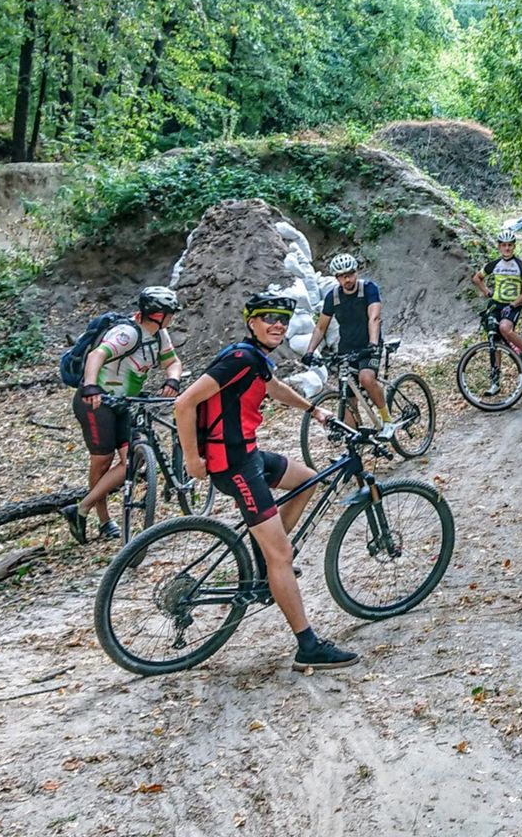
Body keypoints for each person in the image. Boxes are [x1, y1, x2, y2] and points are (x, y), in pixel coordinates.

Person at [175, 292, 359, 671]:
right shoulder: (240, 359)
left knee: (308, 480)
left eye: (283, 319)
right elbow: (184, 403)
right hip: (233, 465)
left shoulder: (254, 358)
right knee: (282, 556)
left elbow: (273, 387)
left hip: (248, 455)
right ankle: (307, 645)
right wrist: (192, 459)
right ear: (252, 323)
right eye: (269, 318)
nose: (278, 324)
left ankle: (269, 556)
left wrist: (315, 411)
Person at [63, 286, 185, 543]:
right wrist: (91, 385)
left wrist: (172, 380)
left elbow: (172, 362)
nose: (173, 317)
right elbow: (97, 354)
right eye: (170, 313)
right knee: (102, 460)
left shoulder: (159, 334)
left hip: (124, 403)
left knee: (133, 459)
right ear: (158, 314)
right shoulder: (127, 334)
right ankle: (104, 520)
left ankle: (81, 508)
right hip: (97, 402)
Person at [304, 253, 395, 441]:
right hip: (346, 348)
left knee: (366, 378)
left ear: (356, 272)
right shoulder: (333, 297)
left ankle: (387, 420)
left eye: (350, 274)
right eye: (342, 276)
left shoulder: (368, 289)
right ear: (337, 278)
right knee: (347, 398)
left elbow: (374, 317)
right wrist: (310, 351)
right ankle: (354, 446)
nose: (348, 279)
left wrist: (372, 343)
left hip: (369, 345)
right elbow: (321, 327)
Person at [471, 230, 522, 374]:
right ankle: (496, 375)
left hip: (513, 304)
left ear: (514, 246)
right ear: (499, 247)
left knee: (505, 328)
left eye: (510, 245)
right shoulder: (494, 264)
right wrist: (487, 292)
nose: (507, 248)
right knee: (494, 338)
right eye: (504, 245)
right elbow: (477, 278)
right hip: (496, 304)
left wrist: (513, 304)